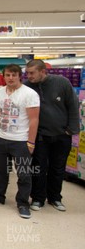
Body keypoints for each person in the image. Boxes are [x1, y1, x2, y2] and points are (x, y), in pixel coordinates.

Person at [0, 64, 40, 219]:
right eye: (7, 75)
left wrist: (31, 142)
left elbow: (34, 120)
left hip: (21, 140)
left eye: (14, 75)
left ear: (20, 76)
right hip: (0, 139)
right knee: (0, 171)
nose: (10, 78)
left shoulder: (29, 94)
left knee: (24, 174)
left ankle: (23, 203)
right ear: (3, 76)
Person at [24, 59, 79, 212]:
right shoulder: (27, 87)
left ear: (43, 71)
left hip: (62, 135)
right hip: (40, 136)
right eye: (27, 73)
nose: (29, 76)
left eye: (32, 73)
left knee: (58, 168)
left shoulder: (62, 83)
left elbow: (73, 106)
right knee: (38, 168)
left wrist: (71, 130)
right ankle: (37, 198)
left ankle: (55, 197)